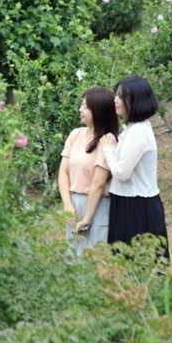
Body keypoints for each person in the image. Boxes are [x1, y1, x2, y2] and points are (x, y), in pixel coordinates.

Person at [75, 75, 169, 261]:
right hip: (128, 203)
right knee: (125, 263)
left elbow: (122, 173)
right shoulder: (133, 129)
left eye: (120, 96)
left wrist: (108, 148)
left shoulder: (138, 133)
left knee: (137, 263)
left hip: (136, 207)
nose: (115, 100)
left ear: (135, 101)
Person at [58, 86, 120, 251]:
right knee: (73, 257)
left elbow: (98, 183)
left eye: (86, 107)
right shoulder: (75, 134)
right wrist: (67, 205)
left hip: (96, 204)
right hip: (74, 202)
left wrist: (88, 217)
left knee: (93, 257)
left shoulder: (107, 140)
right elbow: (63, 172)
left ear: (99, 111)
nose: (81, 110)